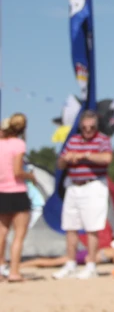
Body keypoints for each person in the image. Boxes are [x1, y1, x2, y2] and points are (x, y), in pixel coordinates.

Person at [52, 110, 113, 280]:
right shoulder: (73, 140)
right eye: (85, 127)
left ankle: (91, 265)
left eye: (91, 128)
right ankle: (70, 263)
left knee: (92, 228)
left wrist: (85, 155)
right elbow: (60, 163)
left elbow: (107, 158)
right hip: (73, 186)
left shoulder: (102, 140)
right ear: (80, 126)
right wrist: (67, 158)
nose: (88, 131)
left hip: (93, 185)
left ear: (96, 126)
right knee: (70, 226)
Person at [0, 114, 36, 282]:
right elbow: (17, 171)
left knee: (2, 232)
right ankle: (14, 271)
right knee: (19, 236)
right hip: (17, 191)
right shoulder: (19, 144)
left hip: (1, 192)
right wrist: (30, 176)